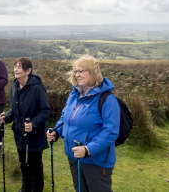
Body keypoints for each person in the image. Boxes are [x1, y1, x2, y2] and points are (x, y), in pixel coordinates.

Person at [47, 55, 119, 192]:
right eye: (76, 71)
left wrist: (88, 149)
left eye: (82, 71)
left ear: (93, 72)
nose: (78, 74)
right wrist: (56, 131)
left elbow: (111, 131)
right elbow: (65, 118)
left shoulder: (107, 99)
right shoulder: (74, 94)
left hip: (96, 161)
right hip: (74, 157)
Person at [0, 57, 51, 192]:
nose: (15, 69)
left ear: (28, 70)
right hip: (19, 135)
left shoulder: (37, 87)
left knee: (34, 166)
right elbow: (15, 108)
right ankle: (25, 188)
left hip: (34, 135)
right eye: (15, 66)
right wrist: (6, 118)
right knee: (23, 164)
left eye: (19, 67)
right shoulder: (15, 85)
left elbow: (46, 111)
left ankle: (36, 189)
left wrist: (33, 123)